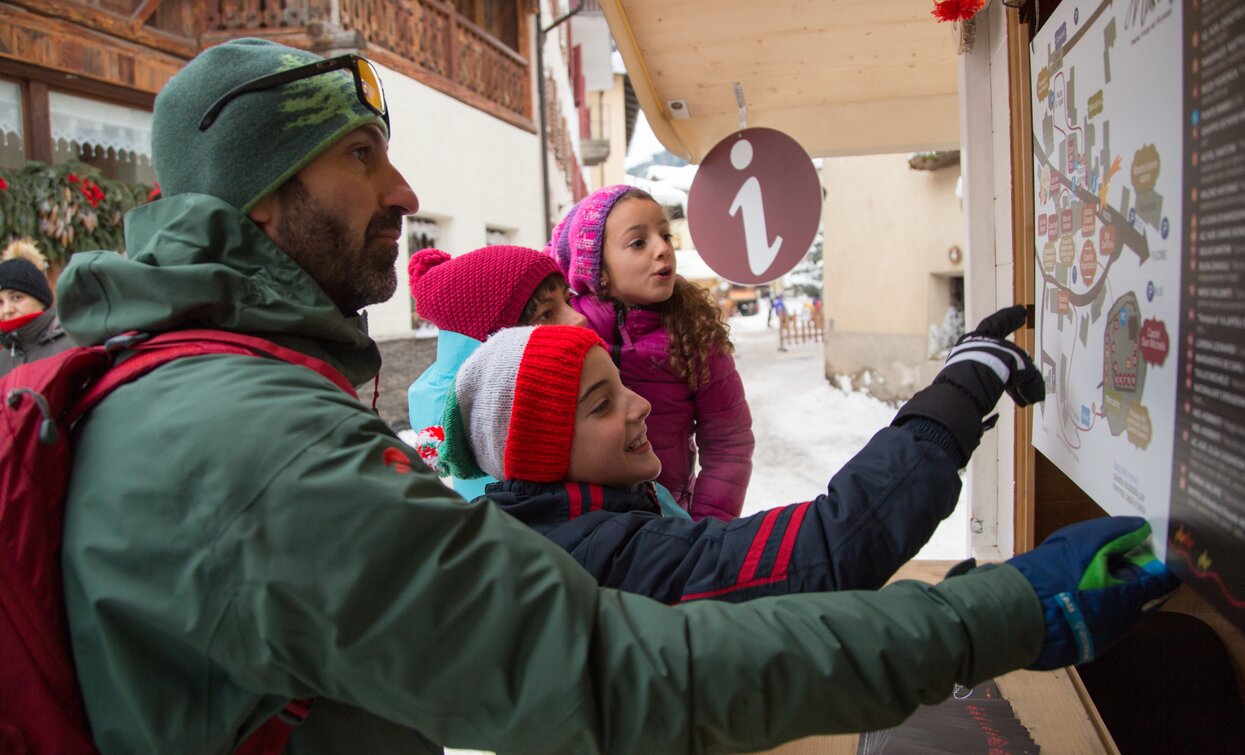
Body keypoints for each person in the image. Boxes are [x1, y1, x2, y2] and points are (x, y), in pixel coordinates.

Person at [55, 38, 1177, 754]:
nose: (404, 189)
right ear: (261, 195)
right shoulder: (262, 449)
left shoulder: (184, 382)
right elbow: (618, 666)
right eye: (360, 156)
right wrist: (1008, 612)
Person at [420, 318, 988, 601]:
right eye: (603, 405)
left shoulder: (563, 526)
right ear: (544, 456)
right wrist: (944, 416)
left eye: (622, 386)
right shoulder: (599, 555)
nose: (640, 405)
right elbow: (820, 552)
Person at [546, 185, 754, 522]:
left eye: (665, 235)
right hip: (584, 521)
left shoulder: (695, 332)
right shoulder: (566, 331)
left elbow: (729, 442)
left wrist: (706, 529)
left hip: (668, 519)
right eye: (638, 242)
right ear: (596, 266)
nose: (663, 249)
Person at [406, 244, 587, 499]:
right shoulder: (508, 422)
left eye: (567, 301)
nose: (579, 318)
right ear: (493, 347)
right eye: (546, 314)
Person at [0, 238, 73, 377]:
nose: (7, 310)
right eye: (0, 302)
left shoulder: (72, 344)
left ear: (41, 300)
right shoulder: (3, 359)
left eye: (17, 297)